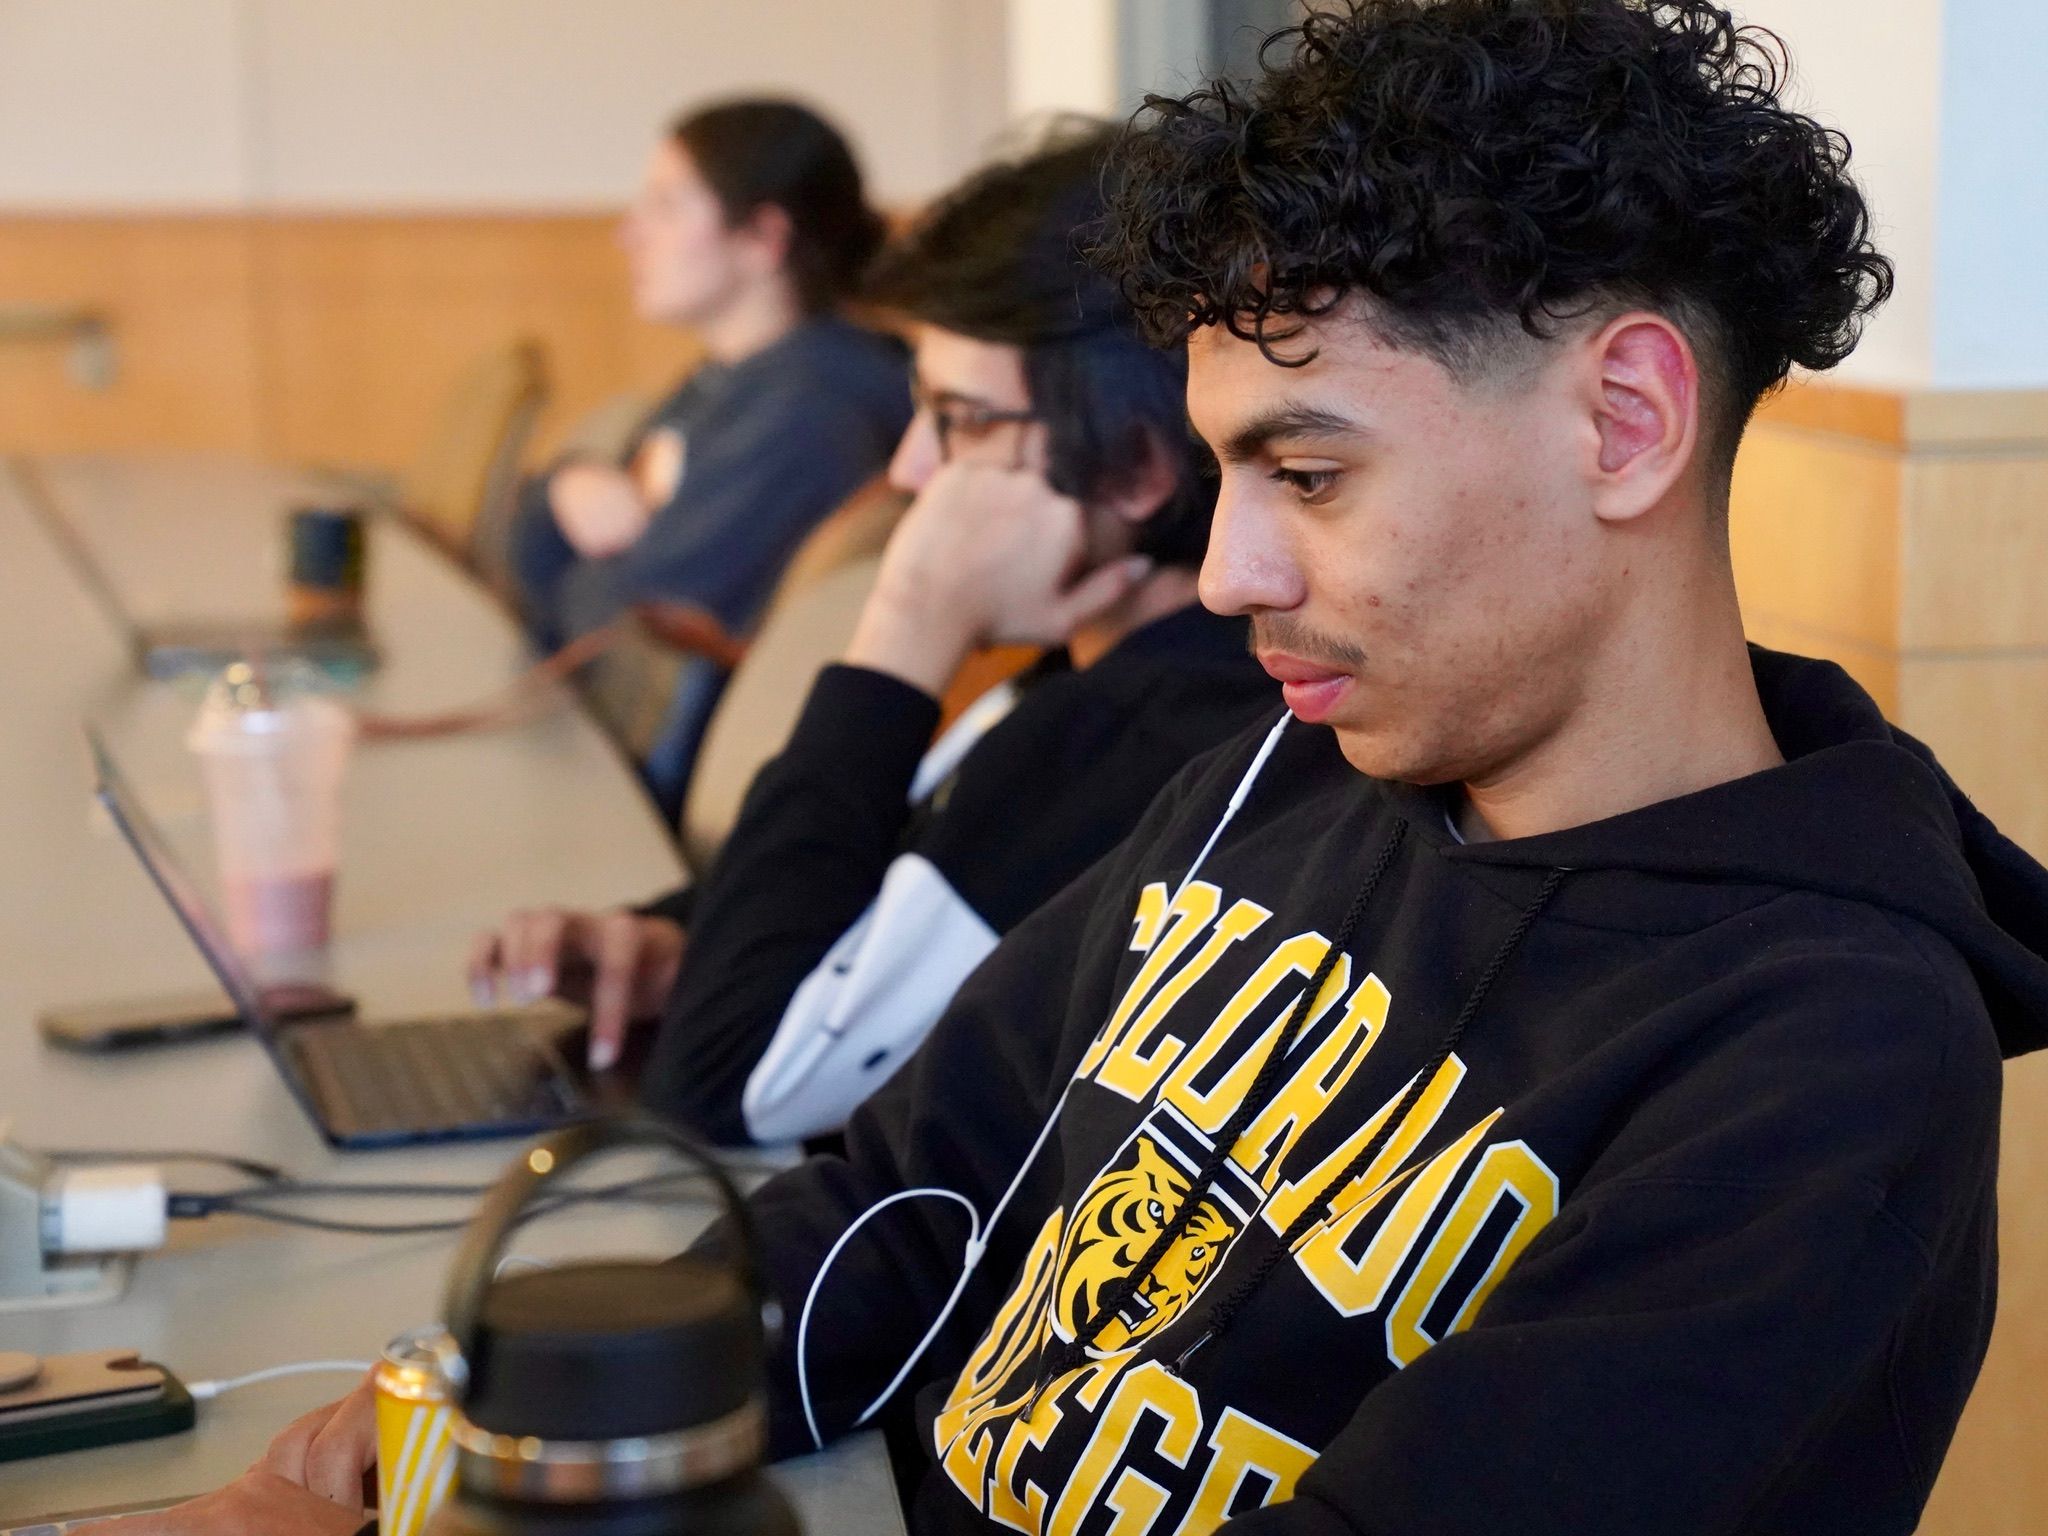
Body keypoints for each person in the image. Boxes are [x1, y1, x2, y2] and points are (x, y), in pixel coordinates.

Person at [109, 2, 2048, 1533]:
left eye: (1307, 473)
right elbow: (895, 1195)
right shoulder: (1286, 784)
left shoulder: (1825, 1056)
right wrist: (457, 1439)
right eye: (1221, 475)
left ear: (1622, 422)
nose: (1226, 572)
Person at [470, 126, 1276, 1145]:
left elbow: (722, 1084)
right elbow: (889, 892)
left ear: (1133, 467)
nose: (906, 472)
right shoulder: (1087, 676)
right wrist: (678, 940)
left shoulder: (1150, 742)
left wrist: (902, 637)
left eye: (962, 421)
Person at [513, 97, 911, 801]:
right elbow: (541, 558)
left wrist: (559, 522)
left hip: (659, 794)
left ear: (764, 236)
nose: (629, 233)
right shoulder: (734, 378)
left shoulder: (812, 412)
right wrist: (564, 486)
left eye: (667, 206)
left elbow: (628, 627)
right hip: (613, 750)